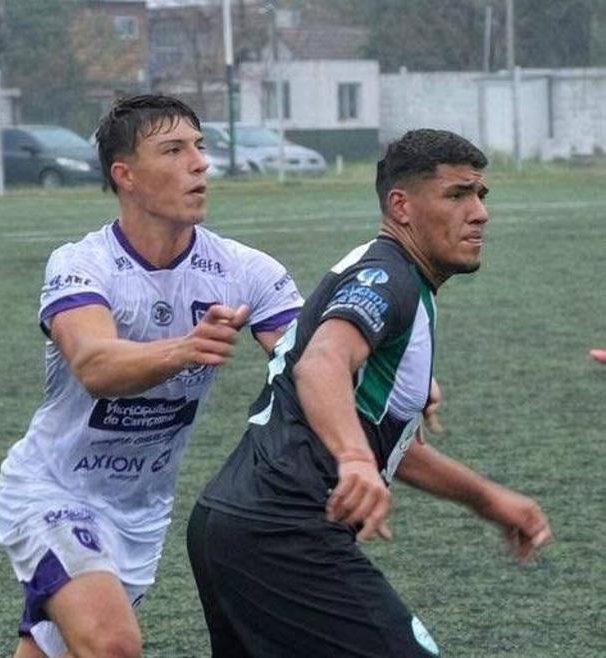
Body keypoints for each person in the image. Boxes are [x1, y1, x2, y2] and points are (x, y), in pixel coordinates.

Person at [187, 129, 553, 657]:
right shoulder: (388, 278)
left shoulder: (398, 277)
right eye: (457, 194)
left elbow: (388, 443)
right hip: (283, 531)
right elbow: (322, 364)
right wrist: (356, 460)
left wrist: (489, 500)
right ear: (401, 206)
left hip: (233, 524)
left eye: (480, 194)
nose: (479, 213)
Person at [0, 94, 304, 658]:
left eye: (199, 148)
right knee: (113, 645)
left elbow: (314, 362)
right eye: (174, 150)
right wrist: (184, 348)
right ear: (125, 175)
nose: (200, 163)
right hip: (51, 491)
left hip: (140, 513)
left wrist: (384, 371)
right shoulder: (82, 263)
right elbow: (95, 365)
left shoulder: (246, 270)